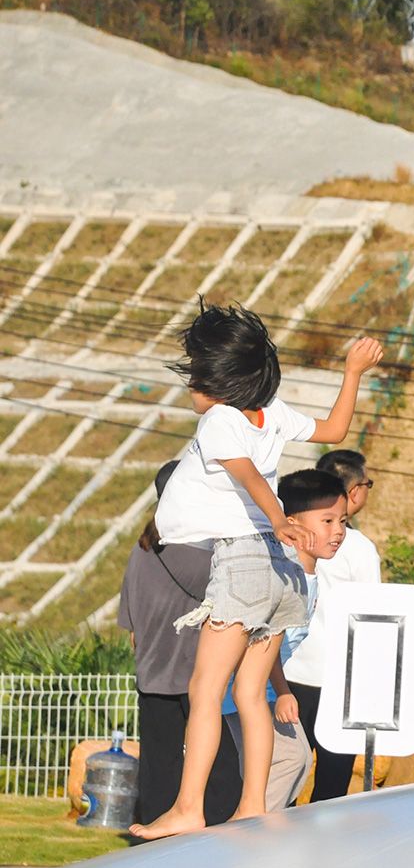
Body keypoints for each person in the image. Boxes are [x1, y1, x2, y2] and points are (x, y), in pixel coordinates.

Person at [130, 304, 382, 839]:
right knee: (250, 694)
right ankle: (252, 806)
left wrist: (278, 518)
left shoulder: (220, 419)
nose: (193, 386)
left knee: (205, 689)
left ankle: (188, 808)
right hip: (277, 571)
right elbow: (335, 427)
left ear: (221, 381)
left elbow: (246, 475)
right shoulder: (273, 413)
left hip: (244, 560)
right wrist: (352, 373)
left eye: (199, 375)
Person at [118, 461, 242, 826]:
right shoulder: (205, 555)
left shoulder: (142, 549)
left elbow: (131, 626)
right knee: (217, 758)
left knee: (159, 761)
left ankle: (156, 826)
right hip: (195, 670)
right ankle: (220, 821)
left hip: (152, 671)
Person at [222, 470, 349, 811]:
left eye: (342, 521)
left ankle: (254, 831)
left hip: (254, 690)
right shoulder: (287, 574)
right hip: (248, 692)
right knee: (291, 760)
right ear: (291, 523)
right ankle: (245, 832)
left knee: (291, 763)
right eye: (327, 520)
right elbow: (265, 642)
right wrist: (282, 692)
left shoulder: (305, 574)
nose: (337, 531)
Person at [283, 450, 382, 802]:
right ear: (353, 491)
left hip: (286, 674)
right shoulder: (358, 548)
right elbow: (371, 619)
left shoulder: (284, 536)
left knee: (282, 777)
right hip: (339, 680)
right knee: (332, 786)